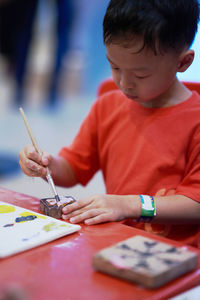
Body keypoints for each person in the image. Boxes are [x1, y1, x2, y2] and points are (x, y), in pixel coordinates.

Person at [19, 0, 200, 247]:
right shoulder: (107, 107)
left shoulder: (195, 121)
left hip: (178, 257)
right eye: (115, 67)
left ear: (183, 62)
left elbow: (196, 204)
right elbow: (72, 170)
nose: (125, 83)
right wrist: (46, 165)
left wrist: (128, 204)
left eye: (140, 75)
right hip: (116, 245)